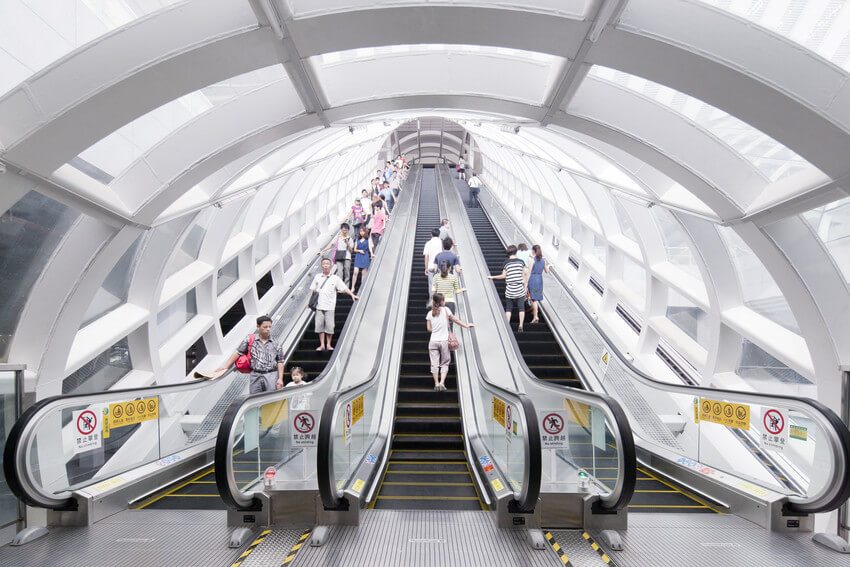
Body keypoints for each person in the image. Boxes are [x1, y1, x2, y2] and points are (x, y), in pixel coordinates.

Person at [215, 315, 284, 394]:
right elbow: (238, 352)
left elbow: (280, 361)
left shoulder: (276, 343)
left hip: (271, 375)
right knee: (254, 398)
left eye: (269, 327)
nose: (268, 329)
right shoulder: (250, 339)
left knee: (271, 398)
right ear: (258, 326)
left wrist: (280, 378)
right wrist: (225, 366)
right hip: (255, 375)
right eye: (265, 327)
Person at [426, 292, 474, 391]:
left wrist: (436, 330)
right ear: (442, 301)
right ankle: (442, 383)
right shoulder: (446, 310)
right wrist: (466, 325)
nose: (445, 301)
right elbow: (455, 320)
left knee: (434, 363)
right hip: (444, 341)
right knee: (444, 363)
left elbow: (429, 329)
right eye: (444, 300)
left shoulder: (430, 313)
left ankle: (436, 383)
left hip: (433, 341)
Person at [311, 257, 359, 351]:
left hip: (330, 306)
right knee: (319, 326)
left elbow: (344, 287)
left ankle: (328, 344)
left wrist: (352, 295)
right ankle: (322, 345)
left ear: (331, 265)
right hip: (319, 305)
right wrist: (309, 302)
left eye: (327, 264)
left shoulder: (335, 278)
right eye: (324, 263)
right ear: (321, 265)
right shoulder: (317, 277)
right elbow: (313, 290)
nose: (325, 265)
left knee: (330, 326)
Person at [488, 245, 529, 332]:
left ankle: (507, 325)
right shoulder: (521, 262)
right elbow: (524, 275)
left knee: (509, 308)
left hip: (510, 288)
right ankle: (521, 325)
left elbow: (503, 276)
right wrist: (525, 287)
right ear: (516, 252)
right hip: (519, 288)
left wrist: (492, 277)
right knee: (521, 308)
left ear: (508, 253)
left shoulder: (506, 263)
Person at [527, 244, 550, 324]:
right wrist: (549, 266)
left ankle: (535, 316)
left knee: (533, 299)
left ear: (533, 251)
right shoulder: (543, 261)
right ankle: (534, 313)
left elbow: (529, 272)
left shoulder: (532, 260)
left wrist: (525, 282)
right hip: (539, 279)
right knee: (535, 298)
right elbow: (547, 271)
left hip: (532, 279)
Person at [423, 228, 443, 304]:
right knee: (440, 282)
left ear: (431, 235)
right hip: (440, 266)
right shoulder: (441, 243)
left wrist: (426, 268)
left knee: (432, 284)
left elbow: (426, 257)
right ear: (439, 235)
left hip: (431, 266)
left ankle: (433, 301)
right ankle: (441, 301)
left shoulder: (428, 243)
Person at [351, 225, 374, 292]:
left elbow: (370, 247)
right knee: (355, 272)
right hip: (358, 256)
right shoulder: (357, 239)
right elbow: (354, 249)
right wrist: (359, 250)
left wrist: (372, 254)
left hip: (365, 255)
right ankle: (353, 287)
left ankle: (362, 288)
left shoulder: (368, 239)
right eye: (360, 231)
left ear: (365, 232)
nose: (361, 233)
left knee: (363, 273)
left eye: (363, 231)